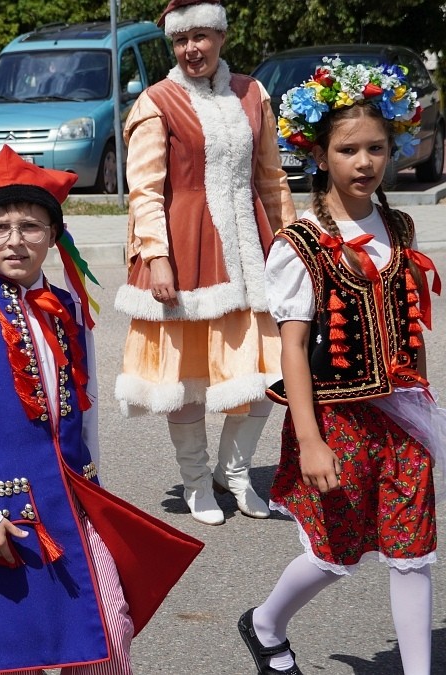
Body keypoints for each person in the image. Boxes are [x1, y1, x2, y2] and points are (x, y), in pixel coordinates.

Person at [0, 143, 203, 675]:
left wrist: (93, 480)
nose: (16, 241)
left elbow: (82, 413)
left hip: (74, 504)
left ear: (53, 236)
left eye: (31, 226)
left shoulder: (67, 309)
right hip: (4, 516)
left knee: (105, 636)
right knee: (8, 656)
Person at [241, 59, 441, 675]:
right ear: (320, 154)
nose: (364, 162)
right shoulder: (300, 244)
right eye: (348, 149)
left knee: (413, 552)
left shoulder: (402, 228)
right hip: (336, 418)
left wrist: (425, 405)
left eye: (377, 148)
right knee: (335, 553)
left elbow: (413, 328)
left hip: (405, 415)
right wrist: (308, 442)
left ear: (395, 150)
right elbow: (293, 347)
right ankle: (267, 622)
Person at [114, 0, 296, 525]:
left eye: (201, 36)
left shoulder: (252, 93)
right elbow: (144, 191)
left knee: (266, 370)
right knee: (187, 376)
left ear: (220, 36)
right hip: (185, 247)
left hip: (251, 245)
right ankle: (196, 480)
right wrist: (157, 257)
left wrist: (290, 244)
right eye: (180, 40)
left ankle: (234, 473)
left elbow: (271, 179)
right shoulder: (156, 101)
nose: (191, 49)